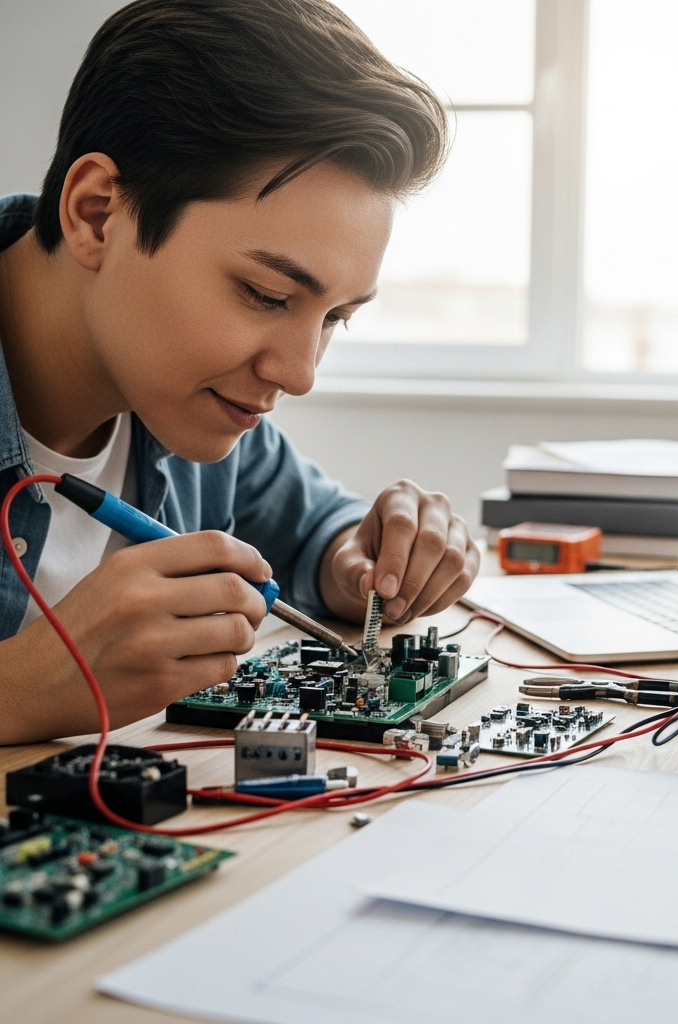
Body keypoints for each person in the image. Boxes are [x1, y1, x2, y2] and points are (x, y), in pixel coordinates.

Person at [0, 0, 479, 743]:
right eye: (266, 295)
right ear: (97, 214)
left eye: (334, 319)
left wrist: (362, 562)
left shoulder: (185, 399)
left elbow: (316, 530)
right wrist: (18, 691)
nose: (298, 374)